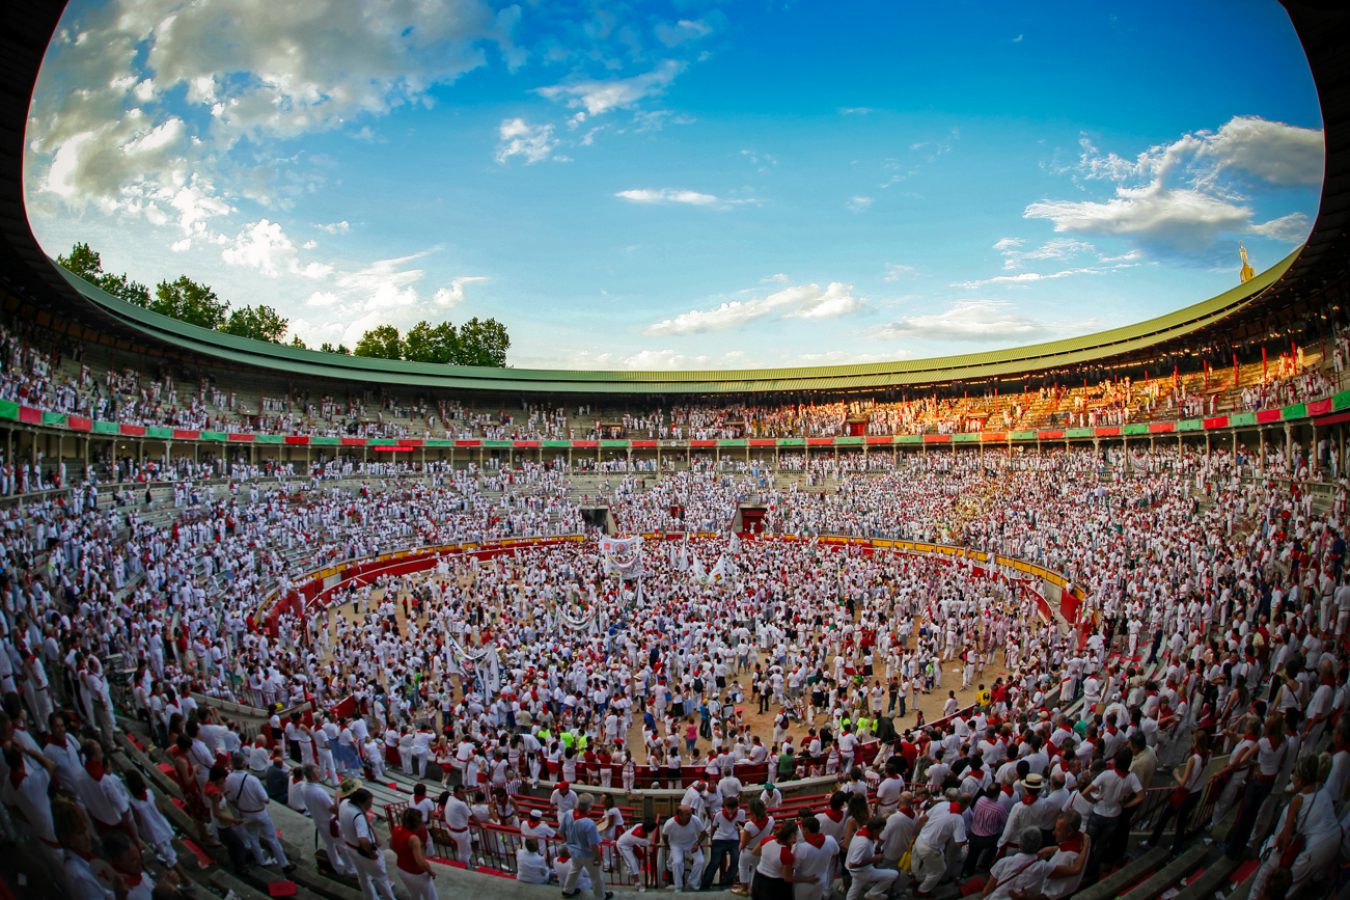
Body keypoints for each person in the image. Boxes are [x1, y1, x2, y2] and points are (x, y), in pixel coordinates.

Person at [1247, 755, 1341, 897]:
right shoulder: (1320, 787)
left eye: (1295, 775)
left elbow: (1283, 838)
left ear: (1301, 779)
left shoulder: (1298, 801)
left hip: (1316, 849)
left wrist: (1271, 856)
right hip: (1333, 839)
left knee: (1284, 884)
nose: (1293, 778)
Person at [1146, 730, 1210, 857]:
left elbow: (1182, 782)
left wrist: (1176, 774)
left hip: (1186, 793)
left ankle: (1152, 841)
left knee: (1165, 817)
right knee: (1181, 822)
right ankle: (1176, 848)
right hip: (1196, 792)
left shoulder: (1193, 759)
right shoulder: (1209, 755)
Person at [339, 786, 396, 900]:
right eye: (368, 804)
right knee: (381, 878)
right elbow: (363, 839)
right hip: (363, 850)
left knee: (363, 876)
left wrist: (375, 835)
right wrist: (371, 853)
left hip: (350, 846)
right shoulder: (358, 816)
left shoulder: (344, 803)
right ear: (360, 802)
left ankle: (371, 897)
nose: (370, 806)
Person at [560, 793, 612, 900]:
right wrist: (598, 857)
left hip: (573, 851)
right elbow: (593, 844)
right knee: (596, 876)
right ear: (589, 807)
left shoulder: (568, 813)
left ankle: (567, 890)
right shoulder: (589, 823)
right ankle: (601, 896)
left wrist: (567, 843)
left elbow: (561, 832)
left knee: (574, 869)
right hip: (587, 855)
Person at [1036, 810, 1090, 899]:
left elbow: (1046, 873)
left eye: (1058, 830)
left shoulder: (1065, 858)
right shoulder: (1085, 840)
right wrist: (1054, 849)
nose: (1053, 833)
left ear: (1070, 832)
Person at [982, 828, 1048, 900]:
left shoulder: (1003, 862)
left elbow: (986, 891)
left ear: (1020, 844)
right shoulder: (1044, 866)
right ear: (1039, 845)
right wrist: (1054, 848)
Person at [844, 815, 897, 900]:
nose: (882, 830)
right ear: (875, 829)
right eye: (881, 829)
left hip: (856, 871)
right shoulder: (864, 843)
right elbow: (853, 864)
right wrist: (875, 859)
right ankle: (873, 894)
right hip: (862, 871)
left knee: (854, 890)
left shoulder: (863, 829)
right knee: (893, 874)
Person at [391, 807, 438, 900]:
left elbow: (392, 846)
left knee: (415, 895)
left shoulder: (396, 829)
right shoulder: (413, 838)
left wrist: (403, 855)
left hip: (401, 868)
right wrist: (430, 872)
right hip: (416, 873)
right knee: (431, 897)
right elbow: (420, 862)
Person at [661, 803, 707, 891]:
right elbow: (665, 835)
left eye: (690, 813)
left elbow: (703, 833)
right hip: (676, 845)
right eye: (688, 814)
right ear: (680, 815)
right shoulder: (670, 823)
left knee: (700, 861)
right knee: (677, 863)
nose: (691, 815)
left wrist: (697, 844)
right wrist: (668, 845)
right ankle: (678, 886)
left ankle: (692, 884)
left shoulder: (695, 819)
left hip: (692, 843)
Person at [703, 796, 743, 890]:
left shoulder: (741, 813)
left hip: (734, 840)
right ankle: (705, 885)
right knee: (714, 863)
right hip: (719, 839)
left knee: (736, 862)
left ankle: (725, 883)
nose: (730, 811)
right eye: (728, 808)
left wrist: (741, 841)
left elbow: (741, 827)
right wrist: (712, 840)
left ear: (737, 807)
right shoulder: (719, 814)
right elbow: (713, 827)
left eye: (733, 808)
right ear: (724, 807)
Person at [752, 819, 799, 900]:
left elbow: (755, 852)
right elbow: (787, 878)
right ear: (793, 835)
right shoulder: (786, 854)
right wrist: (806, 880)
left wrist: (768, 857)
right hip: (775, 884)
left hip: (758, 877)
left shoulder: (767, 839)